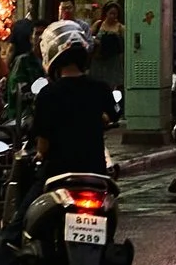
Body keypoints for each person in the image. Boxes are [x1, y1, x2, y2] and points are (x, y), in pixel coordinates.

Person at [26, 35, 118, 192]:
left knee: (22, 215)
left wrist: (39, 154)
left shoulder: (48, 94)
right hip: (95, 172)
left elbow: (43, 144)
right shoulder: (100, 88)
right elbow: (112, 116)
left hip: (57, 174)